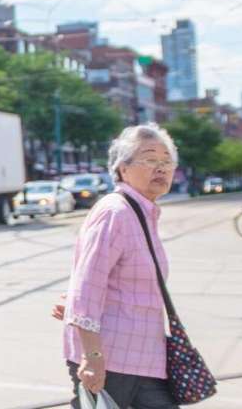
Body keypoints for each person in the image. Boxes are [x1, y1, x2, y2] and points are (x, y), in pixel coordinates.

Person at [53, 124, 182, 409]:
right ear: (123, 169)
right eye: (150, 159)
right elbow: (87, 287)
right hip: (113, 360)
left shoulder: (142, 212)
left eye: (166, 161)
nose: (161, 168)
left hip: (146, 358)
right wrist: (92, 357)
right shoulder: (116, 212)